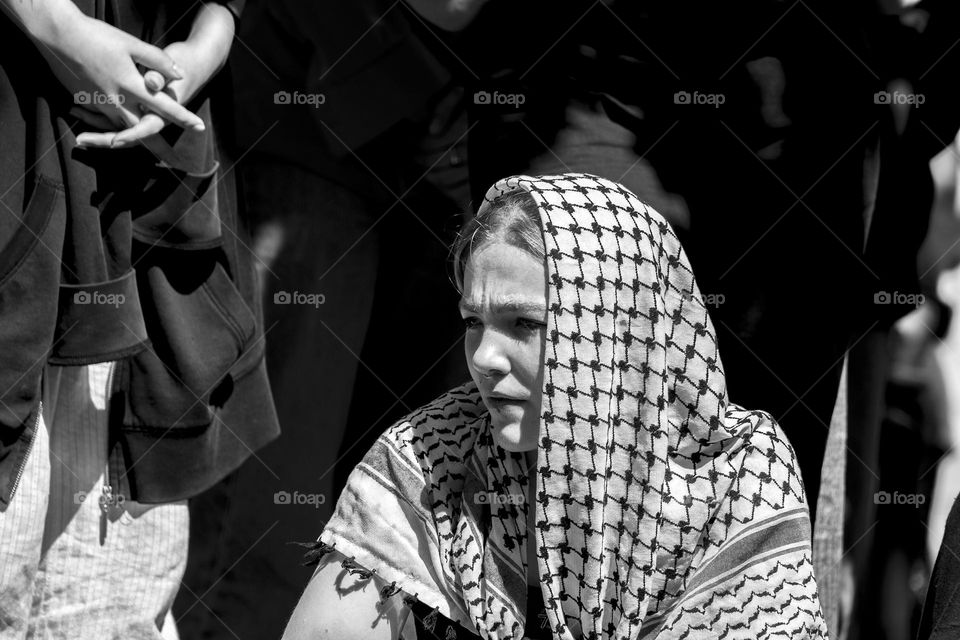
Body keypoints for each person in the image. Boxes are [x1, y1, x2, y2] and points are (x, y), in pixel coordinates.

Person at [282, 173, 827, 639]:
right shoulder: (433, 455)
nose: (485, 359)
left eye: (526, 324)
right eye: (474, 322)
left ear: (618, 335)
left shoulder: (740, 477)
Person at [0, 0, 279, 636]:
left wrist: (206, 43)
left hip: (154, 177)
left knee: (118, 605)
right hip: (19, 142)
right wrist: (55, 25)